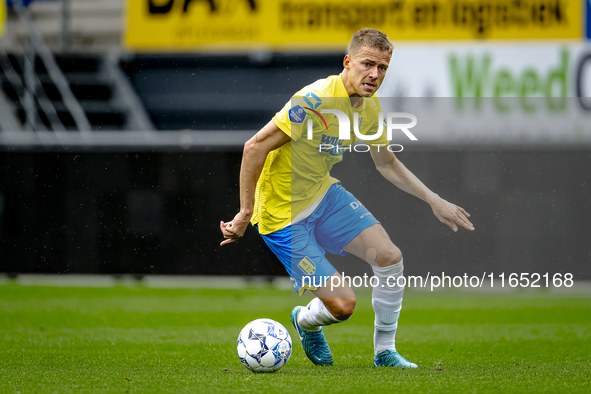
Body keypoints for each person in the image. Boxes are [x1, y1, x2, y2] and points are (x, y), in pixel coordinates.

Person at [220, 28, 474, 368]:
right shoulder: (315, 99)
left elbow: (387, 162)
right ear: (347, 62)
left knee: (389, 257)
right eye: (368, 64)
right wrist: (244, 213)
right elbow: (254, 147)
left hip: (323, 196)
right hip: (282, 216)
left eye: (383, 68)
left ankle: (385, 352)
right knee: (343, 306)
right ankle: (306, 321)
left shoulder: (368, 108)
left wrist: (434, 200)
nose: (375, 74)